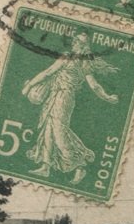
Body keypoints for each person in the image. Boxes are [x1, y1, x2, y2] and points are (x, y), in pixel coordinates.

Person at [22, 33, 118, 184]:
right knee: (48, 129)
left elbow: (49, 73)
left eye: (76, 41)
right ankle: (45, 166)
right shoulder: (78, 60)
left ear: (82, 45)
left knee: (59, 132)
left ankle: (80, 165)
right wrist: (107, 97)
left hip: (64, 97)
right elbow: (50, 72)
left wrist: (29, 85)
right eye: (74, 40)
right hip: (55, 95)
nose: (73, 43)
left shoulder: (79, 61)